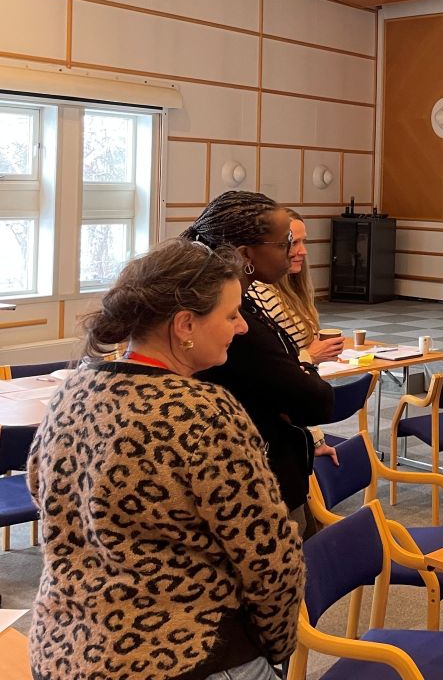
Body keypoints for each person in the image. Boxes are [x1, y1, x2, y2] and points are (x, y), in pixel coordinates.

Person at [27, 239, 304, 680]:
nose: (243, 328)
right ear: (185, 324)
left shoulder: (70, 393)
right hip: (187, 654)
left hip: (62, 651)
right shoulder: (204, 412)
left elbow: (49, 506)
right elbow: (270, 560)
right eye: (232, 314)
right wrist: (270, 647)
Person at [185, 190, 335, 536]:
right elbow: (314, 400)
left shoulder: (246, 308)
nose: (294, 252)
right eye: (284, 244)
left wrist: (298, 376)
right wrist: (304, 368)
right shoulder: (237, 329)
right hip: (256, 488)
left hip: (271, 474)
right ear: (245, 255)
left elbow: (305, 399)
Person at [246, 208, 343, 466]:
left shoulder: (292, 290)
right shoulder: (259, 298)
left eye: (303, 241)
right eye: (292, 242)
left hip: (299, 415)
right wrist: (311, 355)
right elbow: (280, 377)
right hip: (280, 427)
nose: (302, 250)